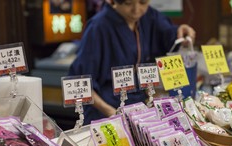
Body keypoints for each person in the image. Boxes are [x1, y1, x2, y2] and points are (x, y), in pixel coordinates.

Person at [68, 0, 196, 125]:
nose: (136, 10)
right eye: (128, 3)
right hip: (105, 112)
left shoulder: (148, 16)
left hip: (138, 109)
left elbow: (169, 33)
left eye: (143, 2)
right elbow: (81, 82)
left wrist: (181, 31)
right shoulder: (98, 27)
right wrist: (112, 113)